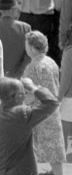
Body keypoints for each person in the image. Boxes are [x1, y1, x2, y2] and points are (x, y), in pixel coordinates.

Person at [0, 77, 60, 175]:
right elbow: (52, 103)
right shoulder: (22, 114)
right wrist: (33, 88)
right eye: (24, 93)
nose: (26, 96)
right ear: (18, 96)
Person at [22, 31, 66, 175]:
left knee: (32, 147)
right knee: (54, 146)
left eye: (27, 45)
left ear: (32, 48)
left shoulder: (33, 67)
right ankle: (56, 172)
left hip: (38, 111)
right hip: (53, 107)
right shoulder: (51, 62)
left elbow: (27, 90)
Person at [0, 0, 31, 78]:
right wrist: (18, 73)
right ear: (14, 9)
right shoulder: (25, 28)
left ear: (1, 10)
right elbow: (28, 55)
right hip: (18, 77)